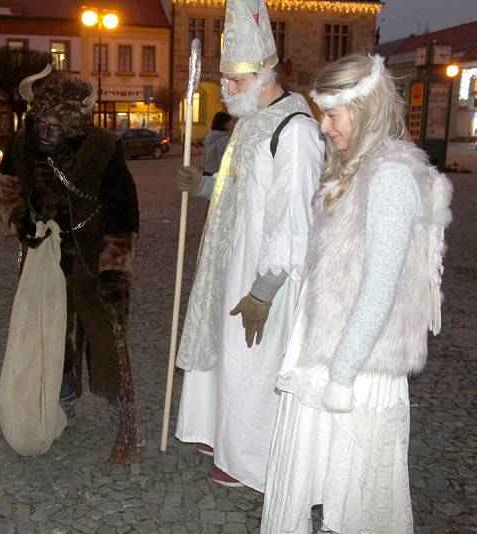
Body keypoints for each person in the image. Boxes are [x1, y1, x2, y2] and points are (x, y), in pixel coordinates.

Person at [260, 54, 453, 534]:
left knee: (355, 494)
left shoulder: (389, 176)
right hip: (327, 352)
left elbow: (380, 284)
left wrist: (342, 373)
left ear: (364, 108)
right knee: (318, 476)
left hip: (356, 366)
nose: (323, 127)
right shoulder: (352, 170)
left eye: (332, 114)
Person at [173, 0, 324, 490]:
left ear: (264, 74)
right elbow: (236, 187)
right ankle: (219, 432)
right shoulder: (251, 119)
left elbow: (293, 218)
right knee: (226, 353)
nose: (229, 91)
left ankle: (250, 460)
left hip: (265, 273)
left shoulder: (295, 130)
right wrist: (201, 184)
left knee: (253, 363)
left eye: (236, 81)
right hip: (229, 260)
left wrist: (265, 289)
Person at [0, 66, 139, 437]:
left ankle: (117, 407)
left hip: (92, 254)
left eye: (54, 127)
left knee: (105, 333)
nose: (44, 133)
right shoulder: (22, 142)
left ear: (74, 124)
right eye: (40, 123)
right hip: (45, 253)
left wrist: (114, 271)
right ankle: (61, 402)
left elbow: (123, 214)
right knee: (50, 333)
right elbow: (6, 186)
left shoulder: (104, 148)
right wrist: (19, 217)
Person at [202, 111, 233, 176]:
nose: (231, 124)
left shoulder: (210, 136)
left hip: (206, 173)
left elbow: (204, 157)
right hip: (216, 175)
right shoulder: (223, 138)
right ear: (224, 124)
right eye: (229, 122)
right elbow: (223, 160)